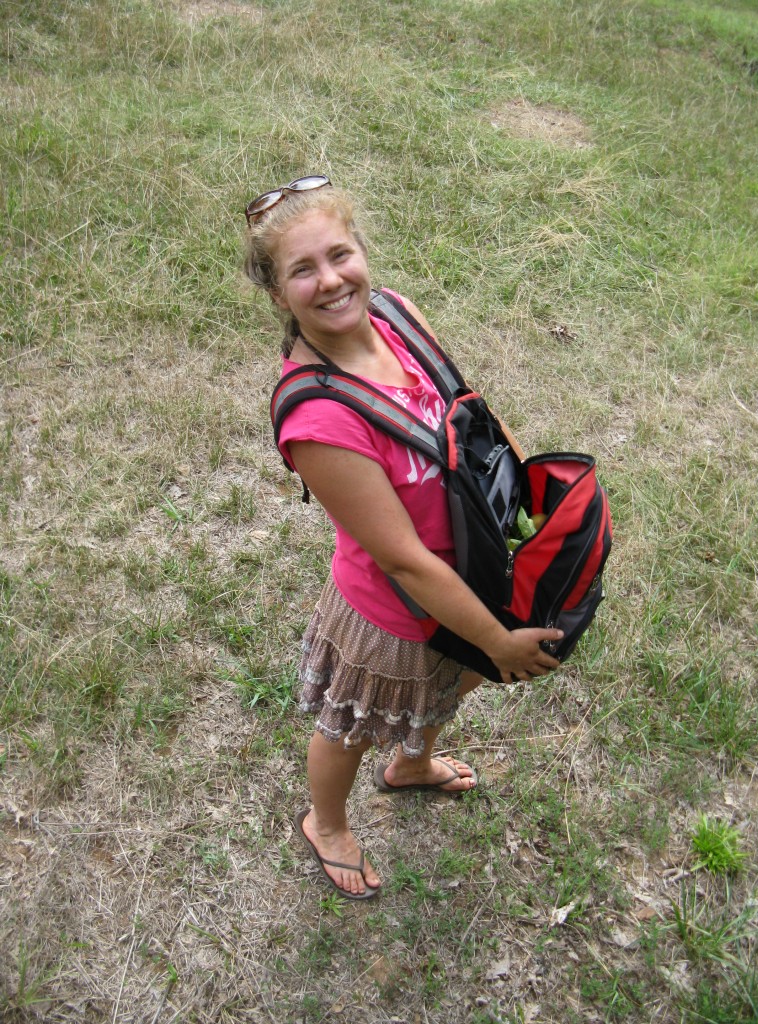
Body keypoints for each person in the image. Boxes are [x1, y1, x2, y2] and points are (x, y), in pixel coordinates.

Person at [243, 174, 563, 900]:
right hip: (396, 614)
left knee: (452, 686)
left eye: (339, 253)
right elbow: (403, 560)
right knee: (351, 727)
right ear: (276, 293)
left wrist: (538, 498)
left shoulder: (399, 317)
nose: (330, 280)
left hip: (476, 572)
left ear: (361, 248)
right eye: (303, 270)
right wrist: (499, 638)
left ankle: (412, 766)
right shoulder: (318, 415)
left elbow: (471, 410)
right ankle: (325, 824)